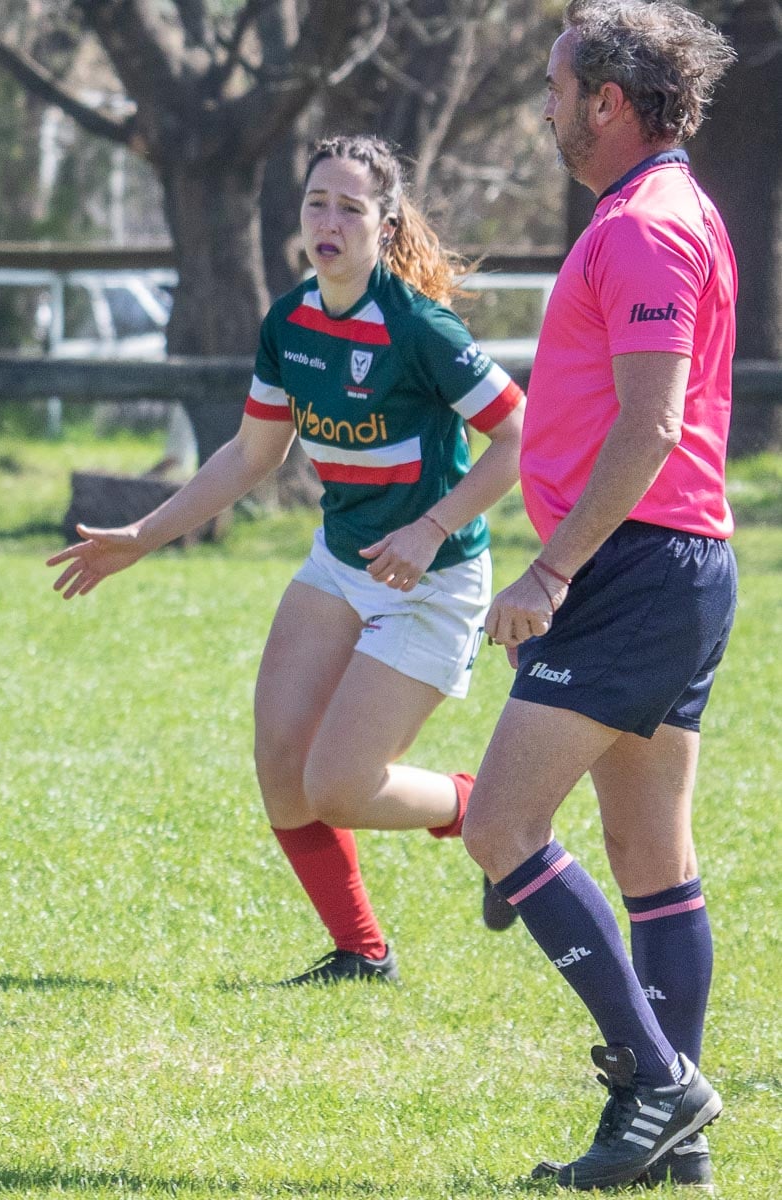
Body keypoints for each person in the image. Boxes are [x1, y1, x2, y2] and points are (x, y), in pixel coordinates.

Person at [49, 135, 525, 986]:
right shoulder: (290, 321)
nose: (329, 222)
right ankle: (360, 952)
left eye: (350, 207)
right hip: (342, 564)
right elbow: (251, 456)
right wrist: (143, 537)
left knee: (338, 785)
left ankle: (488, 808)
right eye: (316, 203)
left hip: (433, 581)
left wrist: (429, 529)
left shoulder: (418, 326)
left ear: (384, 225)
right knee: (281, 769)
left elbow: (522, 436)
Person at [460, 1, 737, 1189]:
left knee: (500, 828)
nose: (549, 111)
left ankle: (662, 1087)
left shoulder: (647, 230)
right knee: (649, 860)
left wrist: (552, 565)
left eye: (559, 89)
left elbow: (652, 421)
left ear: (609, 104)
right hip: (671, 566)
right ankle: (676, 1148)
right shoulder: (658, 213)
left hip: (632, 566)